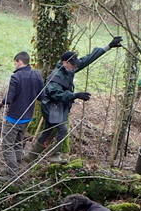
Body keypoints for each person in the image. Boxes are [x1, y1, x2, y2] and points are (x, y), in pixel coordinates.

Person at [28, 36, 124, 164]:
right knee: (62, 129)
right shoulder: (56, 76)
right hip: (51, 106)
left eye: (75, 64)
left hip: (58, 106)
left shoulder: (69, 69)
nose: (75, 66)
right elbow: (56, 94)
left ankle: (30, 157)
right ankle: (55, 156)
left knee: (48, 130)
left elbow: (88, 59)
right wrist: (75, 95)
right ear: (64, 62)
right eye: (72, 64)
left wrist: (108, 46)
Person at [0, 51, 44, 178]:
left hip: (14, 117)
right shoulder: (37, 75)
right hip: (27, 118)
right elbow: (41, 97)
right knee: (17, 143)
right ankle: (16, 166)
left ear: (20, 61)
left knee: (7, 144)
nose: (15, 65)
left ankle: (12, 173)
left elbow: (9, 99)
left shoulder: (16, 77)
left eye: (15, 63)